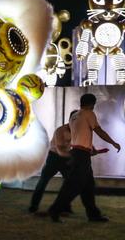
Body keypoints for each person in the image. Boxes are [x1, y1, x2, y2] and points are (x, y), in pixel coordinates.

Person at [48, 93, 121, 222]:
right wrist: (113, 142)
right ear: (92, 104)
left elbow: (80, 136)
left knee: (88, 186)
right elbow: (99, 131)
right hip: (81, 156)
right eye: (94, 104)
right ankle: (55, 209)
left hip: (78, 153)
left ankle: (93, 214)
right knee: (74, 185)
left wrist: (90, 150)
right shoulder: (88, 113)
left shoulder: (74, 116)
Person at [28, 110, 78, 214]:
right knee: (43, 181)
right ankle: (33, 206)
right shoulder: (60, 130)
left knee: (69, 183)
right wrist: (73, 156)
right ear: (70, 120)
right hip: (54, 157)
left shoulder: (78, 131)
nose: (77, 122)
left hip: (66, 157)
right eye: (74, 119)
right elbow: (60, 150)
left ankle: (65, 206)